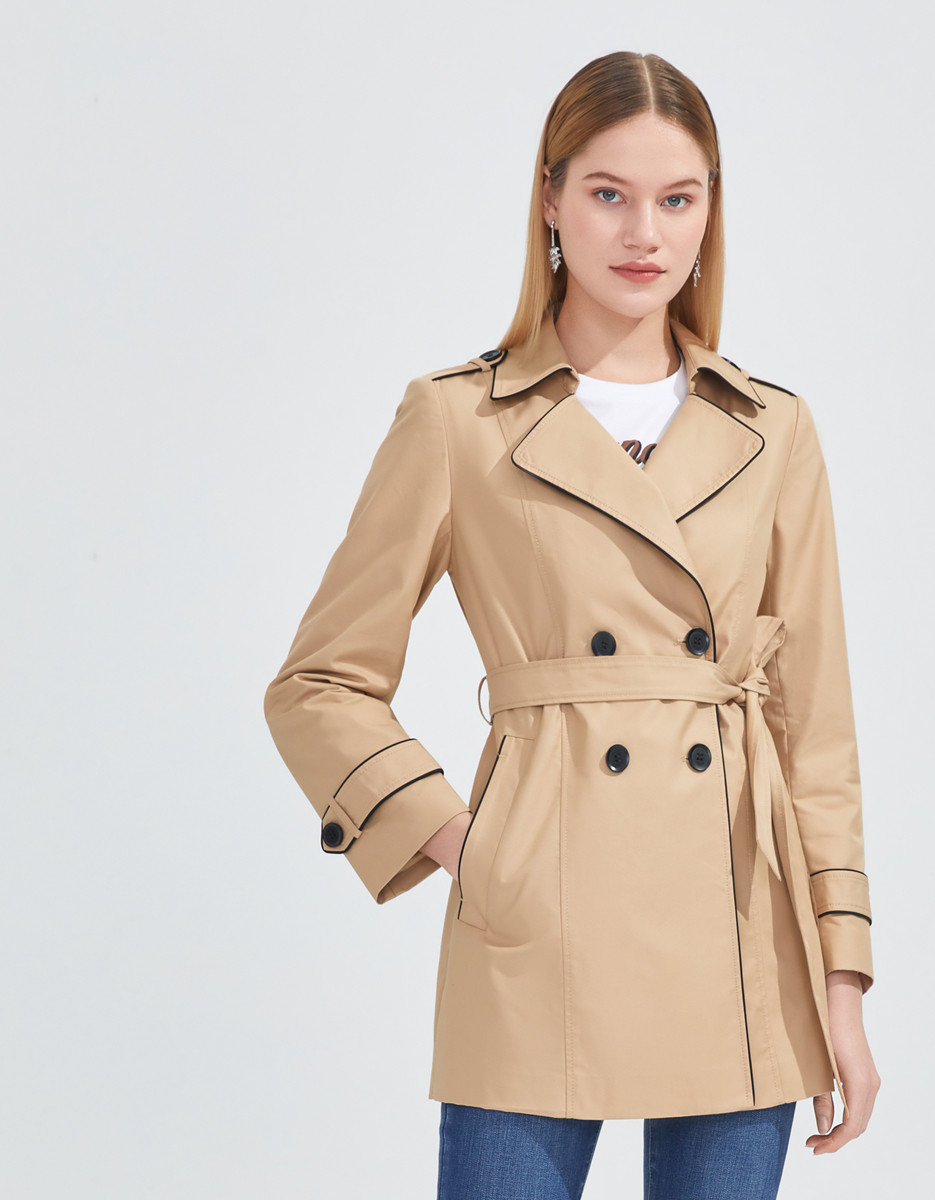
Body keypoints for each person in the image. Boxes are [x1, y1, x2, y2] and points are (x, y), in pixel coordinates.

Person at [263, 50, 881, 1200]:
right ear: (549, 199)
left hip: (740, 936)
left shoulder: (773, 430)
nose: (645, 233)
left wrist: (842, 981)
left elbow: (817, 734)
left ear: (710, 209)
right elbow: (319, 682)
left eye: (677, 198)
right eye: (609, 194)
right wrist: (465, 839)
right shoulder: (459, 420)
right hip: (537, 924)